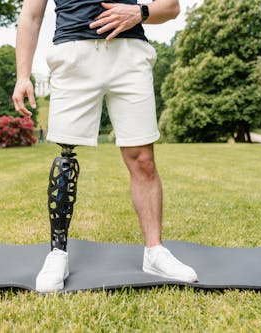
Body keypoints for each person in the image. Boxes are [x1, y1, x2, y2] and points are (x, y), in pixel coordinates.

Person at [12, 0, 197, 293]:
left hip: (130, 55)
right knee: (65, 155)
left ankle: (155, 251)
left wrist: (141, 12)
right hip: (73, 54)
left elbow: (171, 7)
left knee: (143, 159)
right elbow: (31, 16)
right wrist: (22, 76)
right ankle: (58, 253)